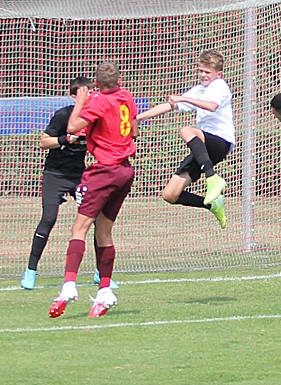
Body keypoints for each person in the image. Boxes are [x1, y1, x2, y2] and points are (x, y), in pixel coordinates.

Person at [49, 62, 139, 319]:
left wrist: (81, 100)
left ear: (96, 85)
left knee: (79, 229)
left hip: (104, 171)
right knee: (104, 232)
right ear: (119, 81)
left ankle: (68, 286)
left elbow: (72, 127)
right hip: (125, 171)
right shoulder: (126, 96)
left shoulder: (97, 101)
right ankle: (104, 290)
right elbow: (133, 130)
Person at [136, 49, 234, 229]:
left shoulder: (220, 85)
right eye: (201, 71)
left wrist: (183, 97)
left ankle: (212, 178)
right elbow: (169, 105)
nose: (203, 75)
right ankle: (213, 204)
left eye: (207, 72)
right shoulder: (198, 90)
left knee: (187, 130)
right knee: (170, 194)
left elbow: (211, 106)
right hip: (204, 148)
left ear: (218, 74)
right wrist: (137, 118)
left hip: (221, 141)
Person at [21, 76, 91, 289]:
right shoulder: (63, 115)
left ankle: (101, 274)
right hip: (55, 174)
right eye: (84, 93)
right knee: (49, 218)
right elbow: (44, 141)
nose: (89, 97)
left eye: (91, 93)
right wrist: (65, 139)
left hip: (79, 175)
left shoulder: (94, 117)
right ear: (74, 96)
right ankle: (30, 271)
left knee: (95, 220)